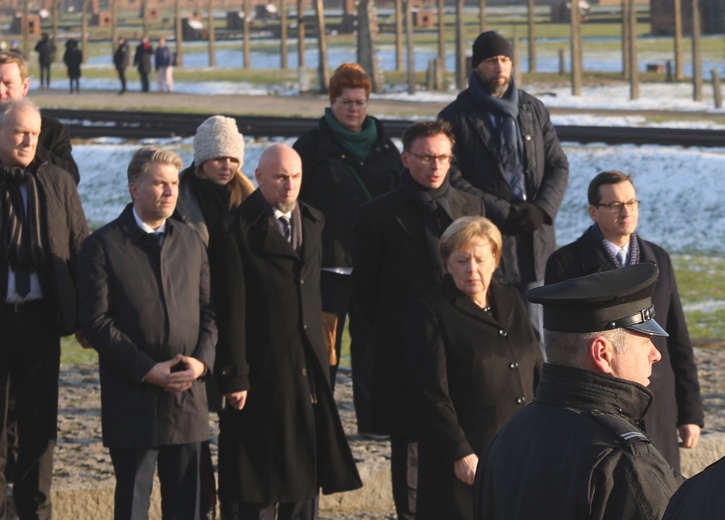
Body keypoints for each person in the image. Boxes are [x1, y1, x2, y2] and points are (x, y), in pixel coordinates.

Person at [209, 144, 362, 519]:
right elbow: (231, 308)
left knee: (303, 480)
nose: (289, 185)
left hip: (305, 369)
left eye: (295, 176)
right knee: (256, 481)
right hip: (258, 371)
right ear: (259, 177)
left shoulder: (313, 220)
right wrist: (234, 376)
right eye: (280, 177)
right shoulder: (234, 230)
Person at [473, 263, 682, 520]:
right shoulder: (622, 462)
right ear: (602, 353)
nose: (656, 354)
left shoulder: (506, 439)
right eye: (645, 341)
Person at [351, 120, 485, 520]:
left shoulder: (469, 207)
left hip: (465, 350)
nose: (435, 165)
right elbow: (365, 295)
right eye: (426, 157)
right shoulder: (376, 215)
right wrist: (402, 336)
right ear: (406, 159)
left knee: (466, 443)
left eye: (442, 157)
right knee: (409, 452)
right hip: (405, 351)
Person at [77, 147, 217, 519]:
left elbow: (209, 312)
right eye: (159, 183)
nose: (170, 191)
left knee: (187, 506)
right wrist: (145, 369)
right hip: (133, 399)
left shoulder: (191, 242)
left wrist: (202, 363)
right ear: (134, 188)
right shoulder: (102, 246)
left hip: (187, 400)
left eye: (173, 183)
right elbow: (96, 322)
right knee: (133, 506)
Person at [545, 170, 703, 474]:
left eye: (632, 202)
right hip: (601, 405)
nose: (627, 211)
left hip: (657, 401)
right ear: (594, 212)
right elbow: (559, 346)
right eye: (615, 205)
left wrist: (691, 412)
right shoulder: (565, 264)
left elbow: (678, 338)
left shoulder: (658, 258)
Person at [407, 216, 542, 520]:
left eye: (480, 259)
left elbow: (535, 366)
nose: (472, 269)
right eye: (462, 260)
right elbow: (430, 393)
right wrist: (459, 453)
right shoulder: (430, 311)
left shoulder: (511, 299)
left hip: (518, 449)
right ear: (446, 263)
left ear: (495, 259)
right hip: (465, 461)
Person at [292, 62, 401, 435]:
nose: (354, 109)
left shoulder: (386, 148)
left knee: (372, 349)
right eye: (346, 102)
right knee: (325, 349)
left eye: (360, 101)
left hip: (374, 266)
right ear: (332, 102)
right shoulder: (310, 147)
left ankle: (373, 422)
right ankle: (319, 420)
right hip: (327, 268)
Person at [438, 30, 569, 338]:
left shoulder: (533, 109)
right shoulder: (456, 116)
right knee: (496, 328)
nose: (499, 67)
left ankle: (538, 387)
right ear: (476, 66)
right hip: (486, 238)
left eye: (505, 60)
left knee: (538, 331)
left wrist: (541, 209)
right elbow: (452, 177)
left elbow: (558, 164)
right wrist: (502, 212)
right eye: (491, 61)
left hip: (535, 238)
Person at [0, 97, 88, 519]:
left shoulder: (56, 181)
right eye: (20, 132)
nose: (28, 140)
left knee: (40, 426)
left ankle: (36, 510)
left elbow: (79, 248)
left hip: (40, 320)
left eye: (34, 134)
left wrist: (85, 314)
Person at [173, 115, 254, 520]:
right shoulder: (179, 199)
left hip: (239, 325)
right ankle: (202, 506)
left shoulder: (251, 200)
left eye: (233, 157)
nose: (226, 165)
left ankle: (235, 506)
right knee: (195, 429)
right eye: (218, 156)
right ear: (201, 158)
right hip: (193, 323)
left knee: (238, 424)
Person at [0, 50, 79, 183]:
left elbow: (70, 179)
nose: (0, 91)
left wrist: (29, 143)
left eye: (8, 84)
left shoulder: (52, 130)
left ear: (24, 87)